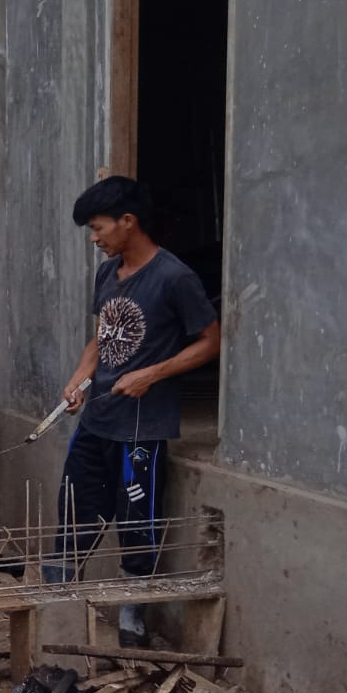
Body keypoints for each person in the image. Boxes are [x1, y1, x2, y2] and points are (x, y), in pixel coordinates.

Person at [44, 176, 221, 647]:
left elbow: (210, 341)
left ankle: (131, 620)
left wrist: (152, 374)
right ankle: (57, 609)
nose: (94, 238)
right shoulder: (108, 272)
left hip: (141, 429)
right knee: (73, 512)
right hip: (96, 421)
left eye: (98, 228)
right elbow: (102, 336)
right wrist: (81, 377)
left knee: (137, 523)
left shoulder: (174, 277)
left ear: (129, 221)